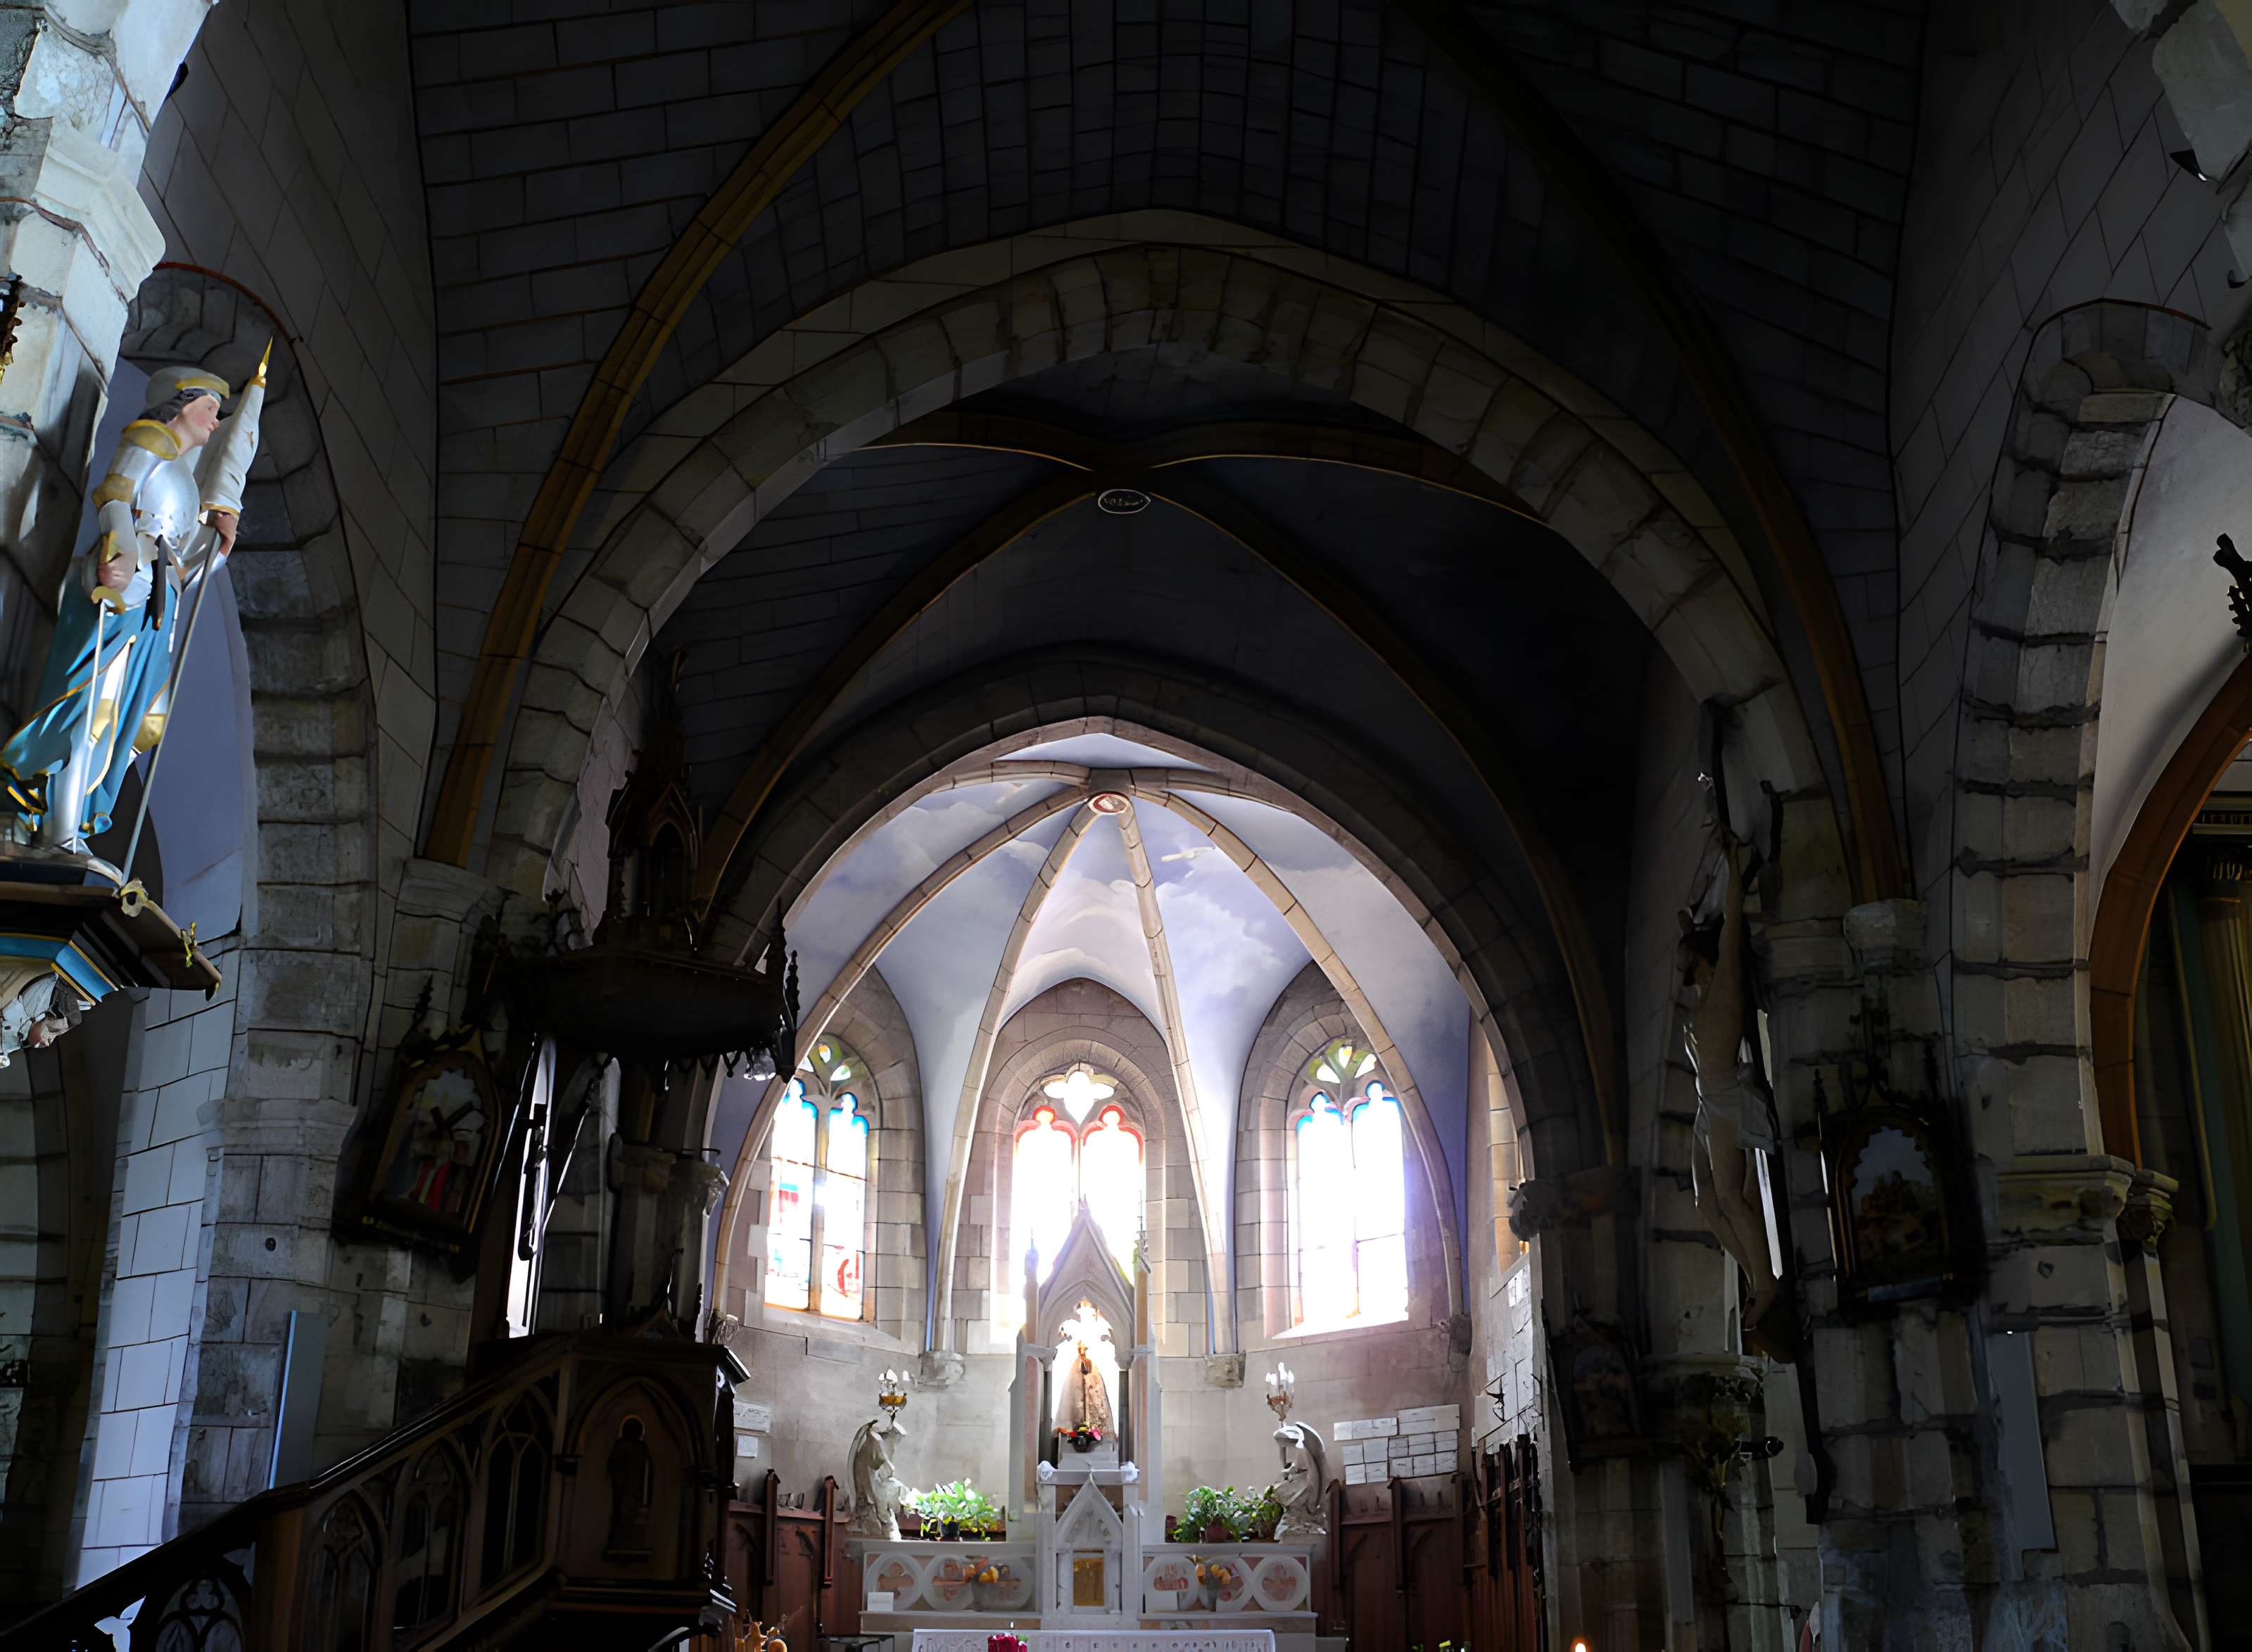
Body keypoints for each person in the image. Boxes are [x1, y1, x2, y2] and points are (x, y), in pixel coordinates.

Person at [1, 367, 241, 854]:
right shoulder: (149, 439)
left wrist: (219, 547)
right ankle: (60, 829)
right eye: (210, 409)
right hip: (125, 591)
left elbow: (182, 565)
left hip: (158, 606)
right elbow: (115, 496)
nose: (215, 422)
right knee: (95, 707)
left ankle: (72, 821)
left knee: (133, 720)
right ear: (182, 404)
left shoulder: (184, 478)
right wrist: (123, 549)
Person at [1679, 836, 1782, 1328]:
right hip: (1708, 1103)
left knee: (1728, 1197)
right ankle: (1752, 1274)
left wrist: (1735, 863)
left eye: (1686, 959)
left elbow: (1733, 925)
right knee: (1706, 1202)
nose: (1681, 969)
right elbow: (1699, 939)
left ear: (1700, 960)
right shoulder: (1703, 996)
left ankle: (1766, 1283)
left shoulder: (1724, 988)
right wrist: (1689, 928)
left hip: (1724, 1097)